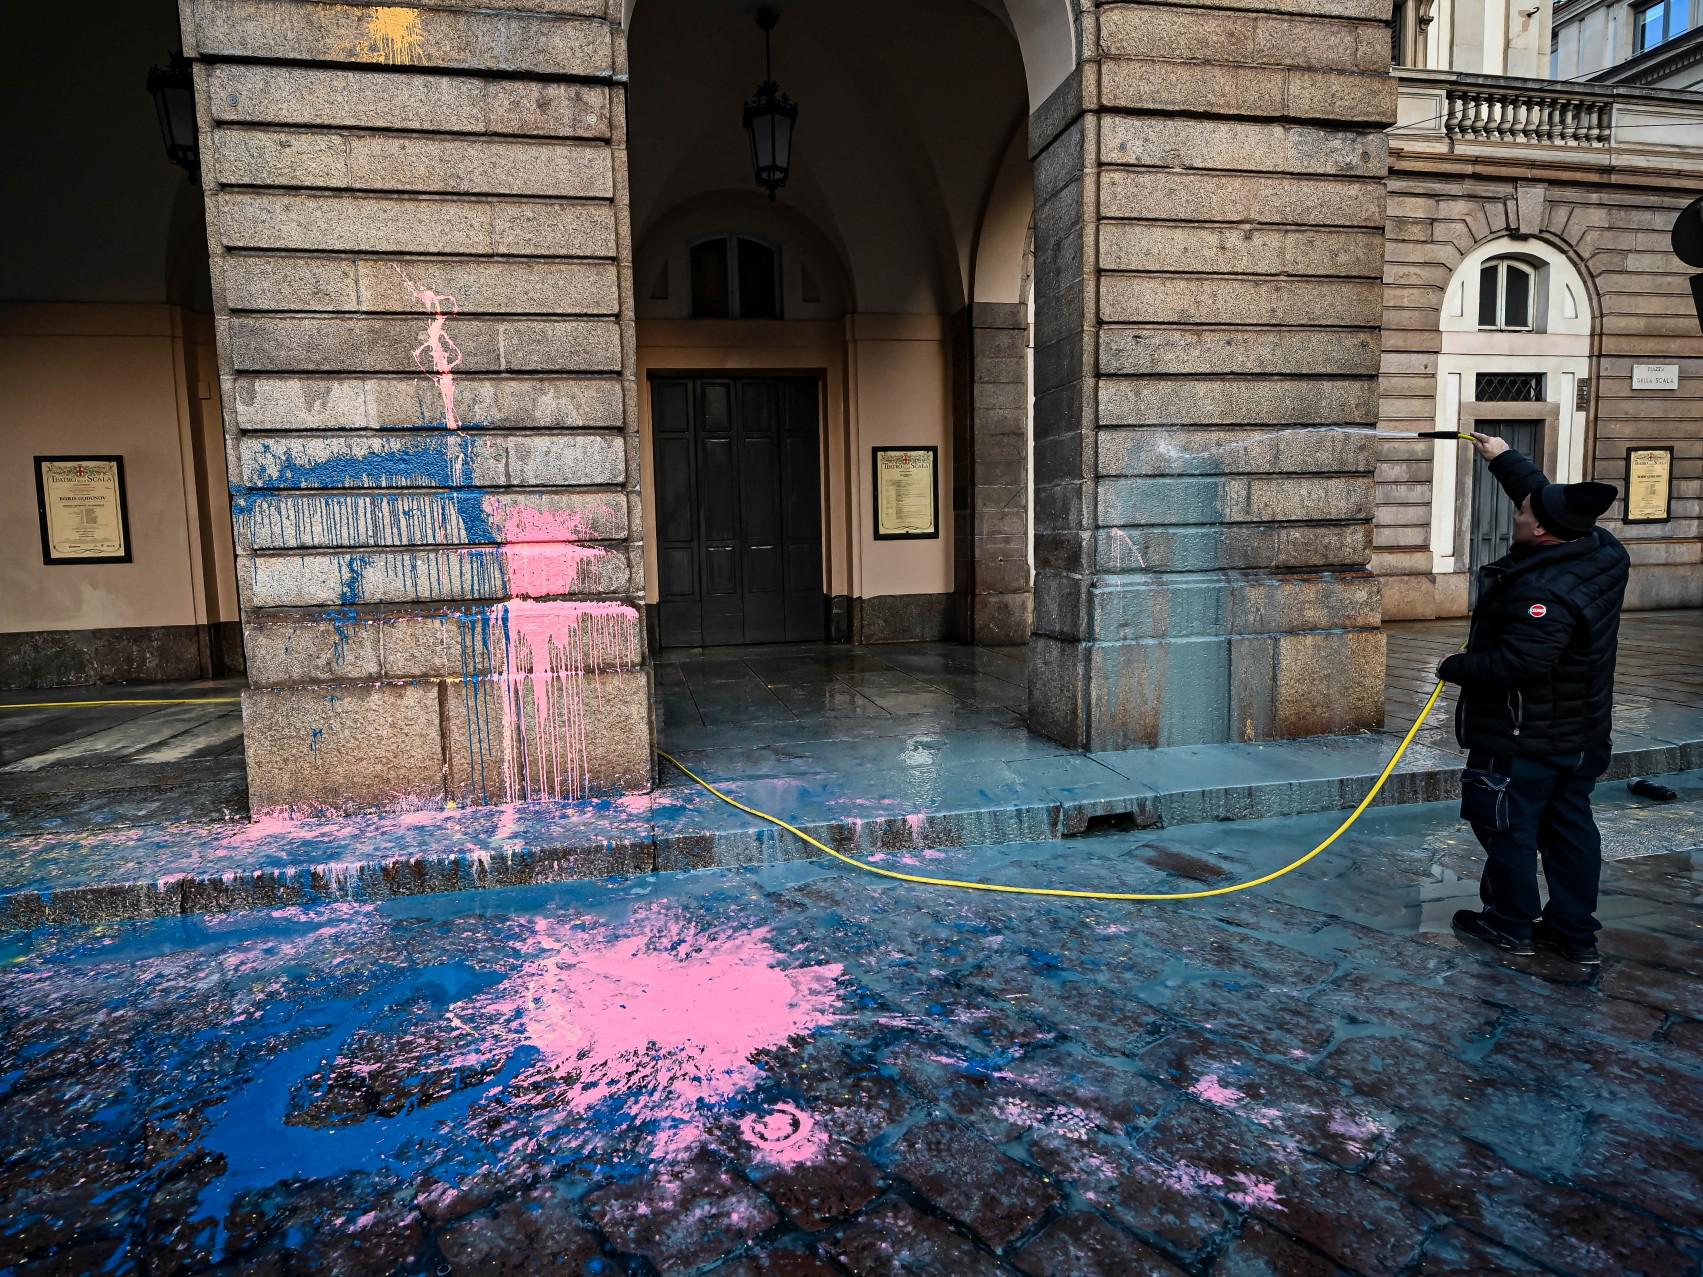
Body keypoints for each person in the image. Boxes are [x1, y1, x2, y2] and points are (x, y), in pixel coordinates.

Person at [1434, 433, 1627, 965]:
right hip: (1582, 734)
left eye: (1522, 511)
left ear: (1539, 530)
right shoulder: (1602, 551)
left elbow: (1521, 663)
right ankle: (1572, 933)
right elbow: (1545, 499)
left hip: (1523, 736)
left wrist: (1456, 667)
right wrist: (1503, 458)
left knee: (1506, 826)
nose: (1517, 512)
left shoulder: (1542, 590)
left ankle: (1509, 924)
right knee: (1570, 830)